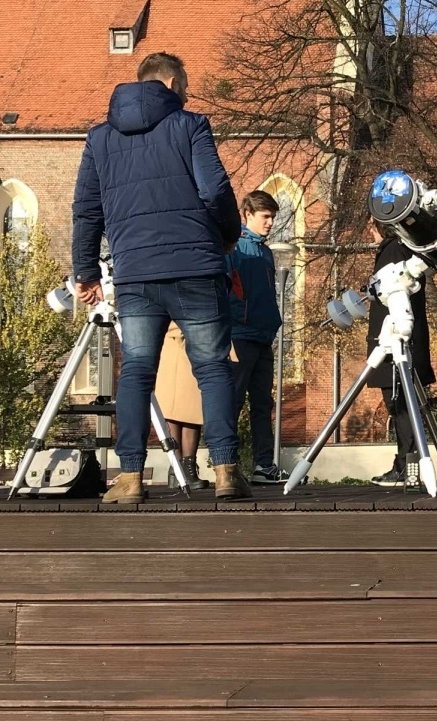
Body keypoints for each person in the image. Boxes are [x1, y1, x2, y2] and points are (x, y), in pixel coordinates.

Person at [71, 51, 246, 504]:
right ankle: (226, 471)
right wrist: (229, 236)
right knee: (212, 369)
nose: (187, 93)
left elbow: (87, 211)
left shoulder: (99, 139)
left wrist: (86, 272)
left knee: (136, 372)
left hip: (136, 275)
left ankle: (130, 477)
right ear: (170, 84)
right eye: (184, 85)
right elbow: (215, 189)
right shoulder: (191, 126)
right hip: (196, 268)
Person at [366, 228, 435, 486]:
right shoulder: (404, 248)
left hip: (398, 344)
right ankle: (407, 468)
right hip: (404, 341)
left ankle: (407, 468)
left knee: (402, 408)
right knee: (405, 408)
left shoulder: (393, 250)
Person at [227, 190, 286, 484]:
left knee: (263, 404)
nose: (270, 222)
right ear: (247, 214)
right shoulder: (234, 247)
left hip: (263, 336)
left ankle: (264, 465)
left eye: (272, 217)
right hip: (240, 335)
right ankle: (227, 464)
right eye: (265, 216)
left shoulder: (266, 252)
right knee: (233, 401)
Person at [152, 325, 207, 489]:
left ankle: (186, 468)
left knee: (192, 407)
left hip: (193, 340)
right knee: (173, 408)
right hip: (177, 339)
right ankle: (178, 468)